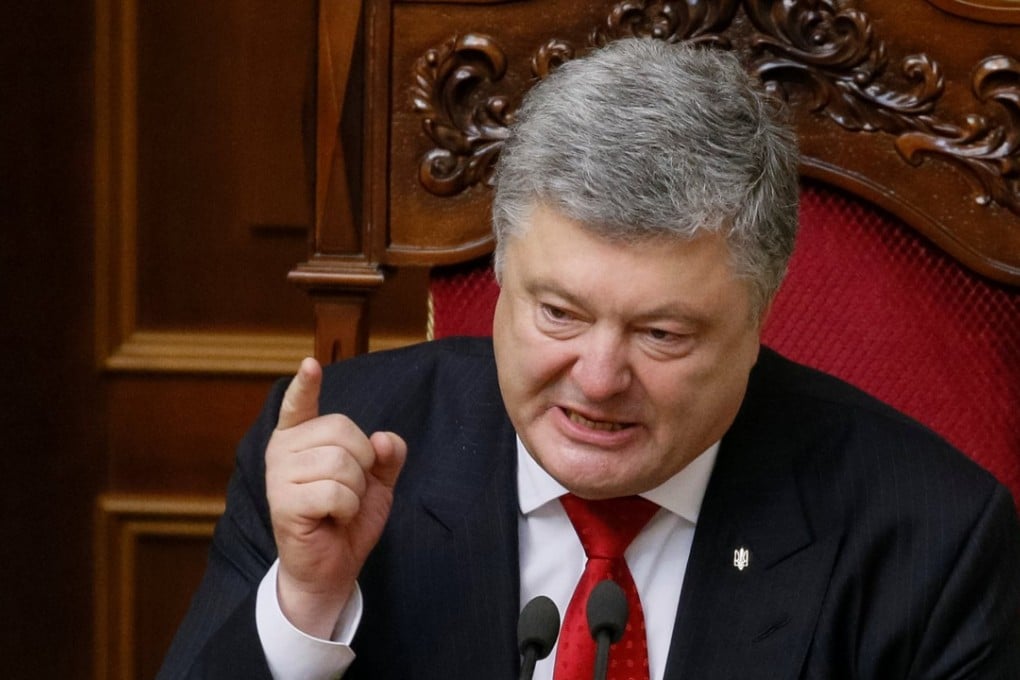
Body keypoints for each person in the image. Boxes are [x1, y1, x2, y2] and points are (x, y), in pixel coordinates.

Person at [158, 38, 1020, 679]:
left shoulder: (929, 538)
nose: (599, 379)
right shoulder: (341, 458)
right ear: (500, 273)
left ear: (760, 317)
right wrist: (305, 607)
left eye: (662, 335)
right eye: (559, 314)